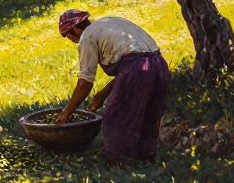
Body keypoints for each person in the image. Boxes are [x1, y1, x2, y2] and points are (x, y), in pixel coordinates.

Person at [55, 9, 170, 162]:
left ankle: (121, 162)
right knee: (149, 114)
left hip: (139, 69)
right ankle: (146, 159)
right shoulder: (108, 23)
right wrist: (102, 94)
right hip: (159, 65)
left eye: (66, 35)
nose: (67, 39)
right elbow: (136, 62)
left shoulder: (87, 37)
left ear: (75, 29)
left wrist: (66, 113)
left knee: (116, 117)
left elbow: (85, 83)